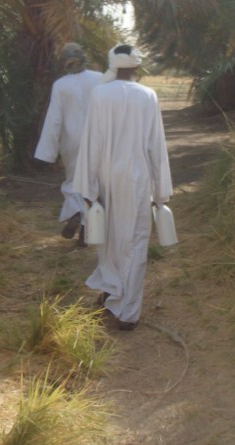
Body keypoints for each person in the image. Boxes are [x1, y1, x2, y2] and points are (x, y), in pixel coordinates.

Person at [72, 44, 173, 330]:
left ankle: (113, 293)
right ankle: (127, 311)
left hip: (107, 177)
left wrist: (88, 189)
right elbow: (156, 145)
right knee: (136, 240)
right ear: (137, 65)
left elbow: (91, 142)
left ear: (112, 63)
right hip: (139, 179)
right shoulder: (148, 95)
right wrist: (160, 193)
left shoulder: (100, 94)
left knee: (108, 240)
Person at [34, 43, 103, 244]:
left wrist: (46, 152)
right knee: (95, 182)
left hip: (71, 141)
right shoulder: (100, 79)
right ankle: (87, 230)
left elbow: (54, 120)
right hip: (98, 138)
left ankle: (76, 212)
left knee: (74, 180)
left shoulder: (60, 85)